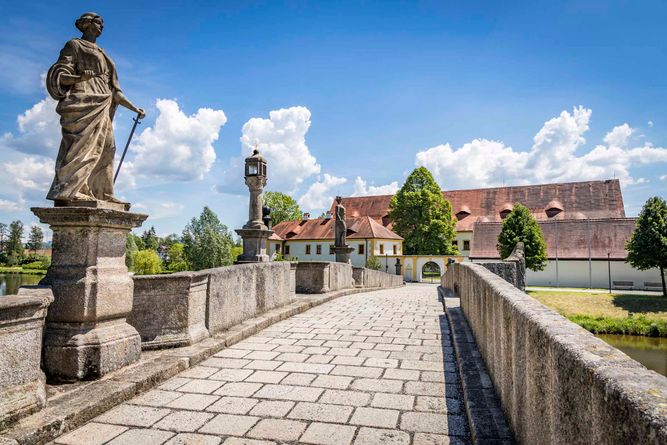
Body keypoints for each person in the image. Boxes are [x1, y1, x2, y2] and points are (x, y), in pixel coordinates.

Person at [46, 12, 145, 204]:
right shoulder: (74, 45)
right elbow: (60, 74)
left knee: (107, 148)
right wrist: (79, 78)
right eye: (99, 22)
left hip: (102, 105)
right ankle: (72, 190)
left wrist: (135, 108)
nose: (102, 26)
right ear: (87, 24)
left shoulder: (103, 54)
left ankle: (103, 193)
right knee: (82, 147)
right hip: (82, 102)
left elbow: (115, 91)